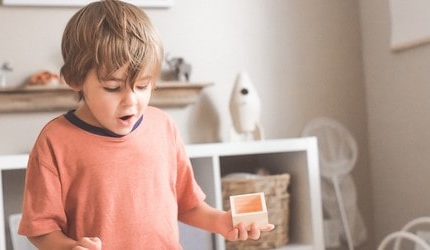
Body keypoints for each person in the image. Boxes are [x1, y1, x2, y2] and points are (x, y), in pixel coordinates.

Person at [17, 1, 274, 249]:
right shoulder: (55, 140)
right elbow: (40, 228)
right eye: (113, 87)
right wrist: (70, 247)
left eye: (142, 86)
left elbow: (187, 203)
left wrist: (222, 221)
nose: (131, 100)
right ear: (74, 79)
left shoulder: (163, 127)